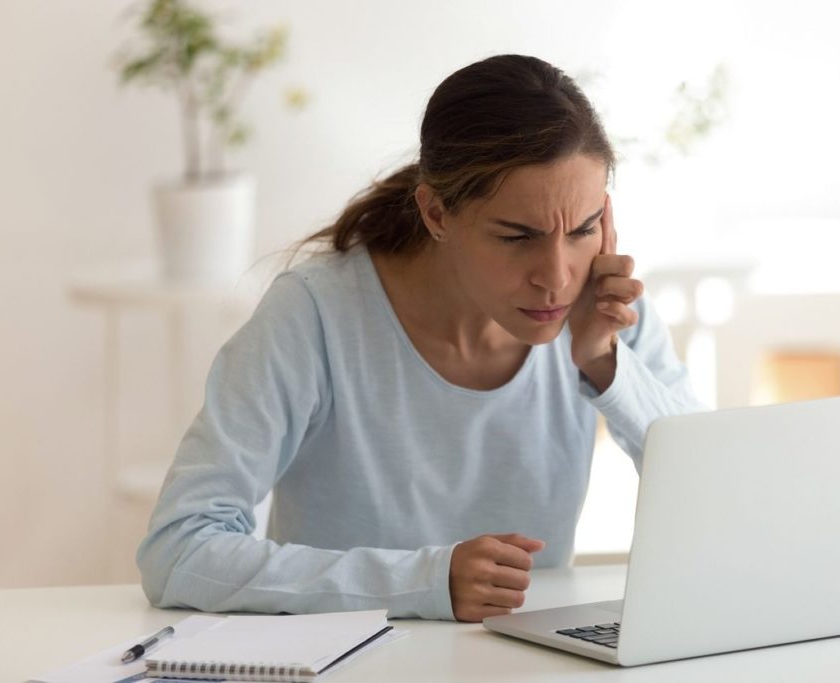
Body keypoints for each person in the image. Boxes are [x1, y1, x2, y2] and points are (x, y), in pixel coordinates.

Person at [137, 54, 702, 622]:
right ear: (435, 213)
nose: (556, 276)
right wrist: (422, 581)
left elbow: (720, 500)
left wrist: (605, 365)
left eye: (582, 230)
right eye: (515, 236)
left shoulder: (606, 310)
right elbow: (180, 548)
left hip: (528, 664)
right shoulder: (314, 315)